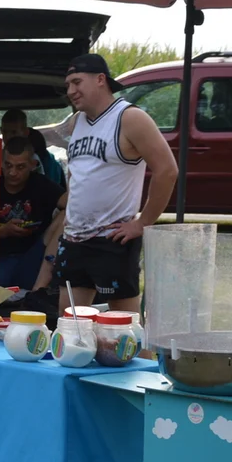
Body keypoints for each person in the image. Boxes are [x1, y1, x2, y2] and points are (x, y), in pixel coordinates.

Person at [55, 54, 178, 314]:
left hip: (112, 238)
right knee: (70, 322)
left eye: (76, 82)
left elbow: (167, 170)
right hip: (74, 239)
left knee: (123, 328)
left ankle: (143, 356)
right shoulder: (77, 121)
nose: (71, 91)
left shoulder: (130, 118)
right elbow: (76, 171)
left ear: (101, 79)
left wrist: (143, 223)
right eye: (67, 85)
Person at [0, 135, 66, 291]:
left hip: (35, 258)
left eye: (20, 167)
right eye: (8, 165)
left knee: (67, 214)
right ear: (0, 163)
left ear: (33, 165)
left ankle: (37, 292)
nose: (12, 172)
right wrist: (2, 232)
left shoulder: (41, 184)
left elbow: (74, 204)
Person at [1, 108, 66, 190]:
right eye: (5, 132)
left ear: (26, 132)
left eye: (14, 132)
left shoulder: (46, 162)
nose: (8, 137)